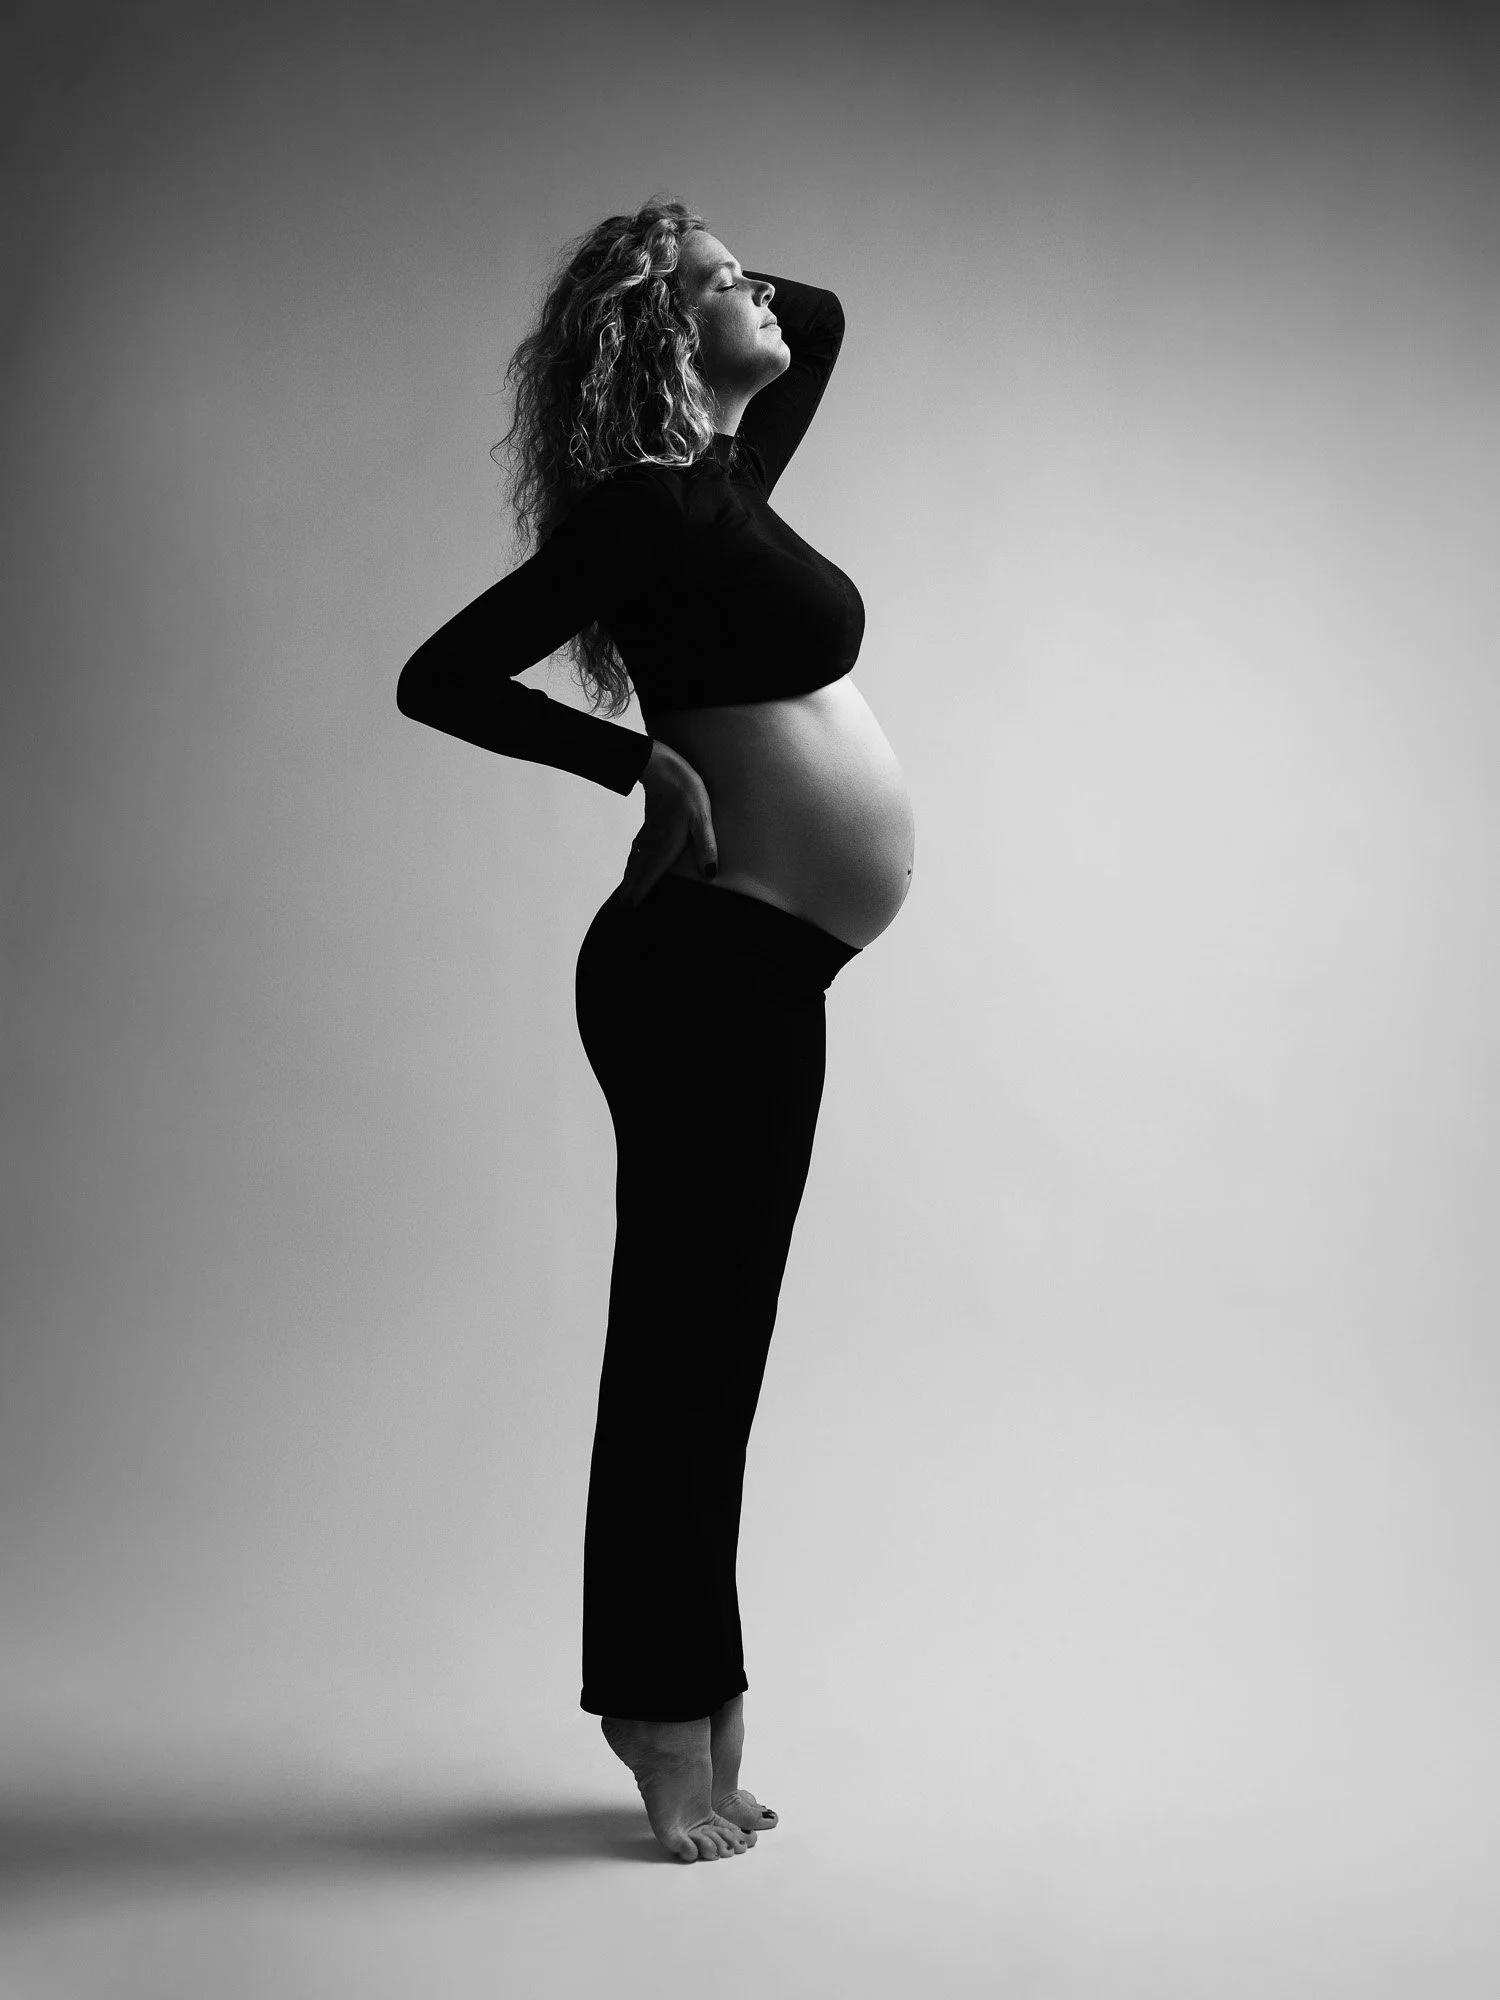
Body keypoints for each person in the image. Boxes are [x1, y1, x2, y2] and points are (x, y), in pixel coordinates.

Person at [396, 195, 916, 1863]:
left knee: (721, 1349)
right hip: (701, 969)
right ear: (658, 331)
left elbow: (817, 315)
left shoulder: (723, 488)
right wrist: (636, 766)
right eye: (717, 286)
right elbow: (443, 677)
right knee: (687, 1352)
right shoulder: (642, 511)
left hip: (764, 969)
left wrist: (705, 276)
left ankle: (700, 1690)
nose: (763, 290)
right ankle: (653, 1705)